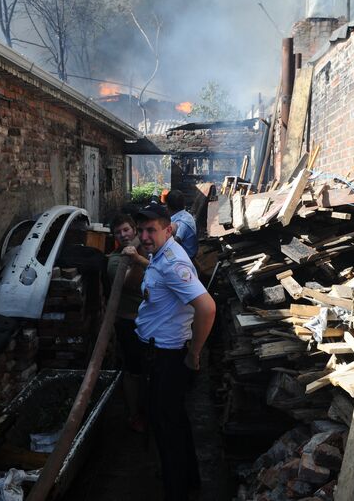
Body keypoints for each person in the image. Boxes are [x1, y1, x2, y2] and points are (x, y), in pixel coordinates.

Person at [133, 202, 216, 501]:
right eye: (141, 230)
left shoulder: (172, 263)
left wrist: (194, 354)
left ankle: (176, 489)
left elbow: (206, 307)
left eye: (151, 230)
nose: (144, 236)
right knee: (174, 420)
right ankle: (187, 478)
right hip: (160, 354)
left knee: (166, 426)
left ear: (167, 230)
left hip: (166, 358)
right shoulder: (161, 257)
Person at [106, 214, 149, 432]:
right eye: (118, 232)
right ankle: (134, 415)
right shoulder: (115, 260)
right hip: (129, 324)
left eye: (126, 230)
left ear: (134, 230)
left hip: (152, 322)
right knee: (133, 371)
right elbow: (131, 284)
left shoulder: (148, 250)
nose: (123, 235)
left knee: (152, 368)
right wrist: (138, 258)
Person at [165, 190, 198, 259]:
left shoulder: (182, 222)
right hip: (188, 251)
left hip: (187, 256)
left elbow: (175, 242)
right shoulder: (186, 215)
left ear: (168, 206)